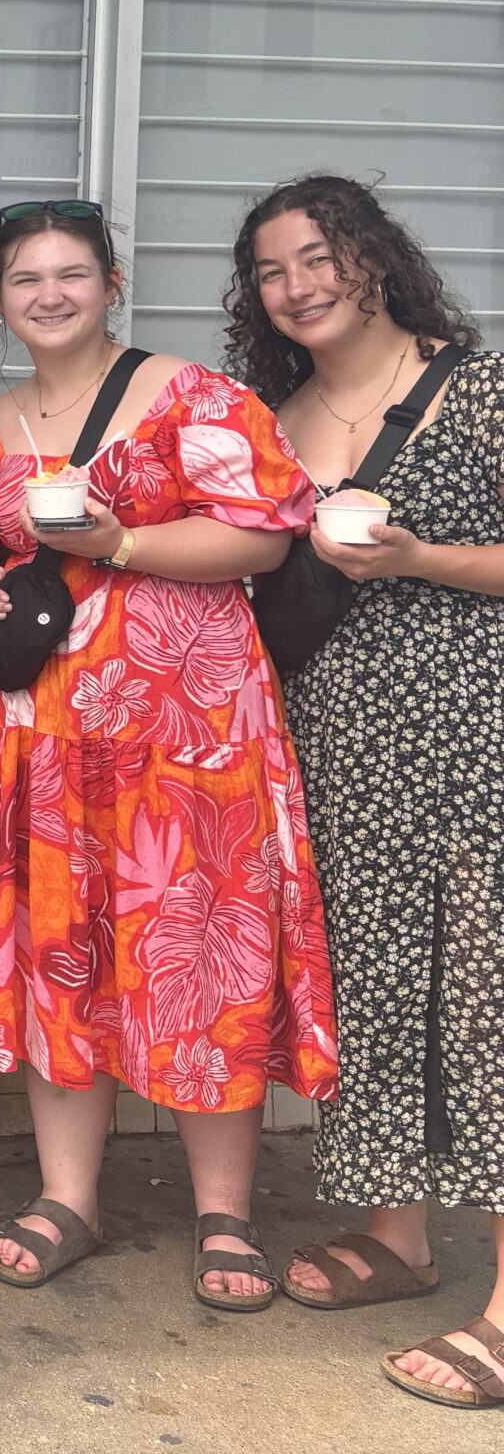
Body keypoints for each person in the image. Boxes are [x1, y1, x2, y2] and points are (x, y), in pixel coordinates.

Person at [0, 198, 337, 1308]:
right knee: (61, 955)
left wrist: (118, 540)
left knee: (201, 951)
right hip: (48, 736)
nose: (50, 295)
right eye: (25, 279)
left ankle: (226, 1214)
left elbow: (264, 532)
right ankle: (68, 1195)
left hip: (188, 735)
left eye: (71, 273)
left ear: (110, 284)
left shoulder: (186, 395)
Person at [227, 174, 504, 1407]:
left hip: (472, 730)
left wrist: (415, 558)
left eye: (316, 257)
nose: (297, 286)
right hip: (339, 745)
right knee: (378, 982)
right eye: (273, 271)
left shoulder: (479, 387)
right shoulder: (275, 422)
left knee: (486, 1000)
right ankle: (399, 1237)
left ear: (372, 258)